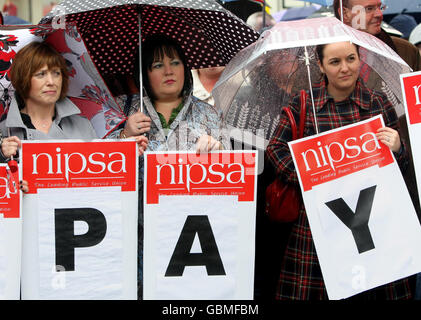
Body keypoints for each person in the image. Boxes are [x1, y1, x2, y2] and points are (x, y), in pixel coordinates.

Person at [266, 41, 411, 300]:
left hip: (375, 223)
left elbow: (400, 169)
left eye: (351, 58)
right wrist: (313, 177)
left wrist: (398, 148)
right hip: (318, 227)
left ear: (359, 59)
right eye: (335, 62)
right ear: (320, 65)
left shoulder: (378, 102)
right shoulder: (303, 103)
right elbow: (275, 149)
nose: (345, 68)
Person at [109, 34, 230, 299]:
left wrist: (219, 151)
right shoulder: (122, 109)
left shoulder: (207, 113)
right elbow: (99, 167)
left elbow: (231, 177)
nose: (168, 71)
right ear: (144, 73)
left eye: (175, 62)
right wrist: (124, 137)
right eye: (156, 65)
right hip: (137, 233)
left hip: (192, 232)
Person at [334, 0, 421, 250]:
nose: (379, 15)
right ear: (345, 12)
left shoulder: (405, 52)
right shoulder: (321, 55)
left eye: (379, 7)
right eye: (369, 9)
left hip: (401, 174)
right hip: (346, 177)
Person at [0, 42, 99, 192]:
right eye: (41, 74)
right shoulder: (4, 133)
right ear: (23, 78)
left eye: (56, 73)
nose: (51, 82)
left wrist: (128, 150)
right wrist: (2, 158)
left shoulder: (82, 125)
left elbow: (101, 181)